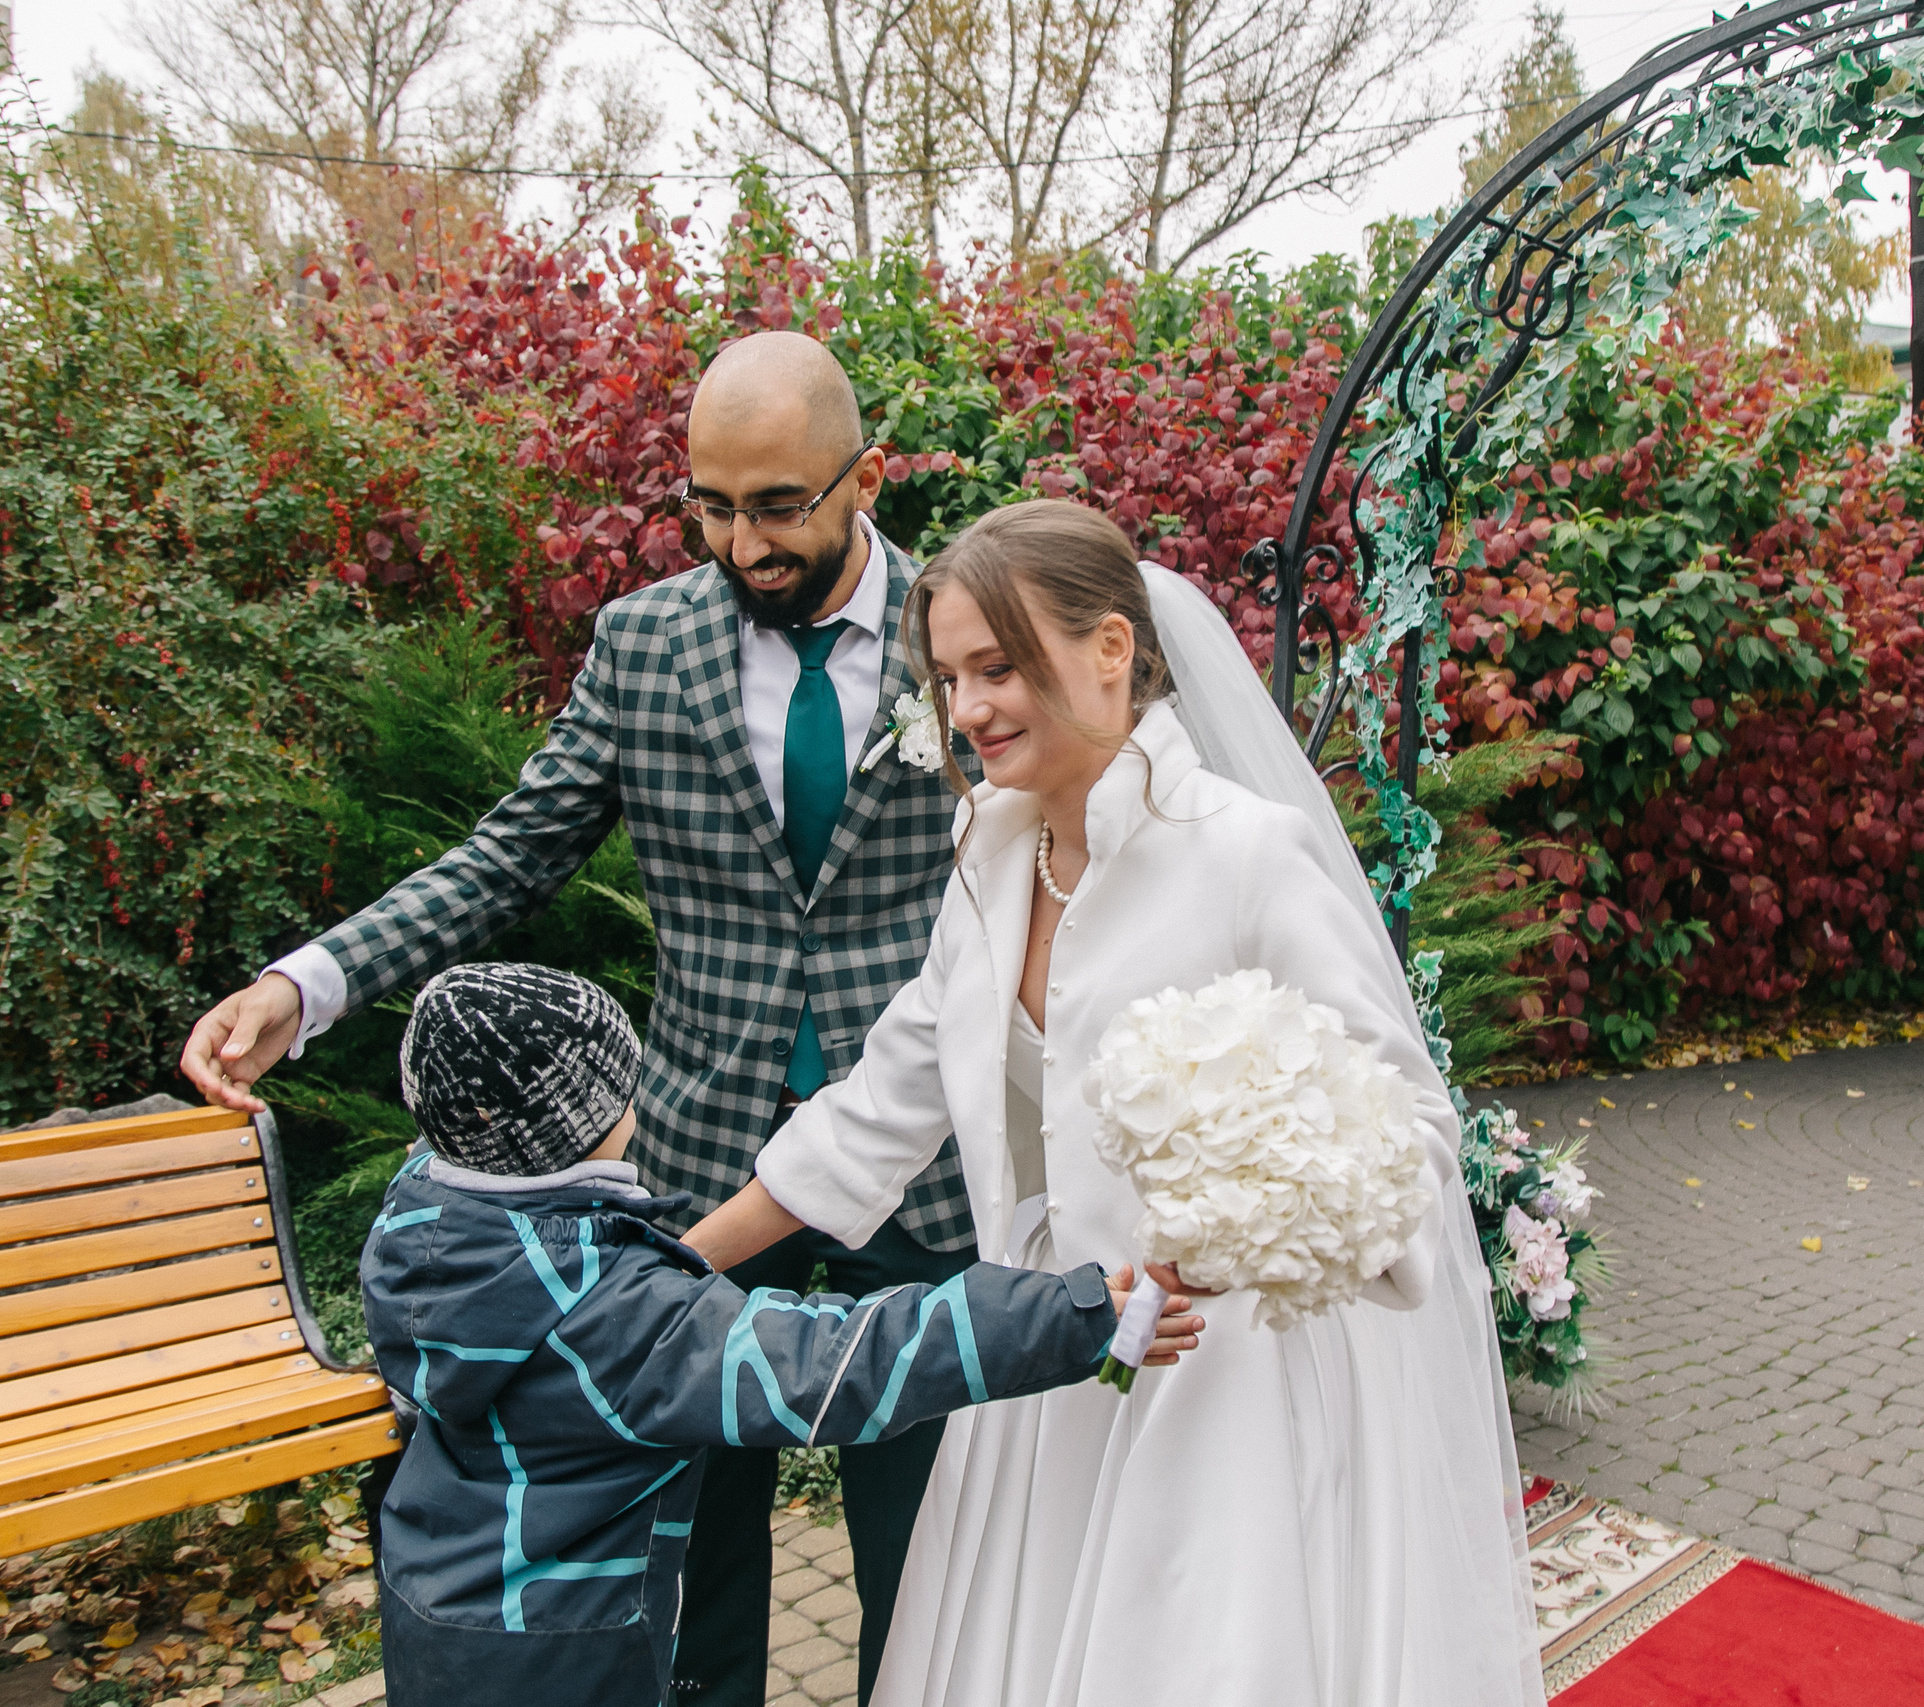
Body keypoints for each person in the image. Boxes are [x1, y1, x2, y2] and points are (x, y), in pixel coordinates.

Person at [180, 332, 979, 1707]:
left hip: (924, 1156)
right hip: (704, 1167)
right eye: (713, 507)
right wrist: (300, 982)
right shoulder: (646, 641)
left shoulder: (956, 631)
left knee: (927, 1553)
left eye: (779, 504)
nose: (744, 542)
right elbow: (508, 854)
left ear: (868, 476)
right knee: (697, 1558)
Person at [686, 501, 1548, 1706]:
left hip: (1220, 1390)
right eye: (947, 678)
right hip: (1039, 1372)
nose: (968, 708)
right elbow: (874, 1109)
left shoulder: (1246, 852)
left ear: (1108, 651)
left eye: (999, 666)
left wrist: (1239, 1235)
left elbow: (1404, 1130)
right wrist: (673, 1267)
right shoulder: (985, 856)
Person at [363, 962, 1202, 1707]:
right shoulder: (618, 1319)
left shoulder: (423, 1228)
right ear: (596, 1118)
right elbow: (838, 1364)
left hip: (430, 1611)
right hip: (567, 1650)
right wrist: (1070, 1313)